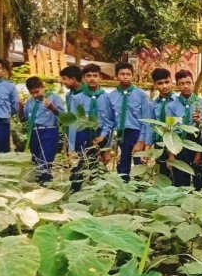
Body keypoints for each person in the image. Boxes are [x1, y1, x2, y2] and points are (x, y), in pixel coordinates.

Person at [69, 63, 114, 192]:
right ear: (83, 78)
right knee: (81, 163)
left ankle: (97, 192)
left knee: (99, 165)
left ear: (100, 77)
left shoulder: (107, 98)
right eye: (88, 76)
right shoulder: (77, 98)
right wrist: (71, 148)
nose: (92, 78)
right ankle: (75, 191)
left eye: (95, 75)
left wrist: (105, 140)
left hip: (100, 134)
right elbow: (72, 123)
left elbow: (110, 121)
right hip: (82, 133)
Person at [108, 62, 152, 181]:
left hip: (137, 133)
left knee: (139, 165)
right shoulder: (111, 96)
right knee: (123, 165)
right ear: (116, 76)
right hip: (122, 134)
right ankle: (123, 191)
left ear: (133, 76)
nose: (125, 76)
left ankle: (140, 190)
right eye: (122, 74)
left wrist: (142, 140)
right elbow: (110, 120)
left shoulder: (142, 95)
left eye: (128, 74)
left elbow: (147, 121)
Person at [18, 77, 64, 184]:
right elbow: (23, 119)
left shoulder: (54, 98)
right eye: (32, 93)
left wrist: (52, 108)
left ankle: (45, 186)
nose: (35, 95)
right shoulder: (30, 101)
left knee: (45, 162)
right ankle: (41, 185)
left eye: (37, 91)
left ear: (43, 87)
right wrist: (20, 108)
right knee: (36, 162)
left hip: (49, 131)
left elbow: (63, 117)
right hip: (33, 133)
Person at [169, 69, 202, 187]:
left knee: (199, 181)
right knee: (180, 181)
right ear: (177, 85)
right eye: (181, 83)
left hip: (197, 143)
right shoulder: (172, 105)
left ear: (193, 83)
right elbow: (170, 131)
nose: (185, 86)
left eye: (188, 82)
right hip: (178, 143)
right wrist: (171, 154)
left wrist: (199, 152)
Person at [149, 68, 183, 182]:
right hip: (159, 143)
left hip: (176, 143)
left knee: (178, 176)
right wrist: (148, 146)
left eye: (167, 82)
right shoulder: (153, 104)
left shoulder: (179, 101)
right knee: (162, 175)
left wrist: (172, 151)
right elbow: (151, 126)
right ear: (154, 84)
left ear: (171, 81)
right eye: (160, 83)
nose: (164, 86)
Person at [60, 65, 84, 157]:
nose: (63, 82)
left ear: (73, 79)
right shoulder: (69, 95)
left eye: (64, 78)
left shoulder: (86, 94)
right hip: (71, 133)